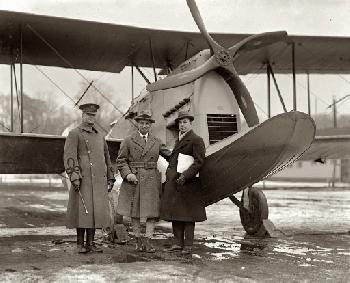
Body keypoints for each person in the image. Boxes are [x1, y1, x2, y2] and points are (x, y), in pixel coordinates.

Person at [116, 110, 171, 252]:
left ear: (150, 125)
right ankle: (138, 240)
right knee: (135, 212)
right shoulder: (128, 140)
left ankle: (148, 240)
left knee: (152, 212)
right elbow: (121, 161)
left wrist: (188, 158)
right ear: (137, 124)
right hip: (134, 179)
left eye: (147, 123)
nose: (144, 125)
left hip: (152, 180)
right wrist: (128, 174)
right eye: (142, 123)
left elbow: (171, 156)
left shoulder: (156, 141)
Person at [64, 103, 115, 253]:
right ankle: (80, 244)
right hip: (83, 179)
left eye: (93, 115)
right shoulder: (75, 133)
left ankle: (91, 243)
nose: (91, 118)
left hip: (99, 180)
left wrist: (110, 177)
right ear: (83, 115)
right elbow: (69, 156)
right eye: (88, 115)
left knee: (95, 211)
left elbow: (107, 157)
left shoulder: (100, 135)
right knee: (83, 211)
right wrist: (74, 177)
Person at [160, 110, 207, 254]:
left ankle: (188, 246)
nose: (182, 125)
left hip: (188, 183)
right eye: (180, 122)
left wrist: (186, 176)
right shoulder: (179, 139)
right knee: (176, 213)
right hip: (175, 181)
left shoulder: (196, 140)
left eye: (185, 122)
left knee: (188, 215)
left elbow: (199, 162)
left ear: (191, 123)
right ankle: (177, 243)